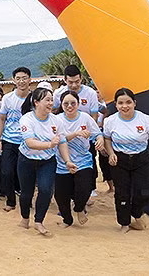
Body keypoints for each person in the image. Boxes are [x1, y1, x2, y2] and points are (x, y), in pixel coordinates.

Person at [104, 88, 149, 232]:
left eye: (128, 102)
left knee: (144, 192)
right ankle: (124, 223)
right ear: (116, 105)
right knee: (122, 194)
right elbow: (107, 138)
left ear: (134, 103)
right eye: (120, 103)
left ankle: (136, 214)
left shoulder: (145, 120)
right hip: (119, 160)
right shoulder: (110, 121)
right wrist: (110, 153)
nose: (125, 106)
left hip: (141, 158)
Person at [17, 87, 71, 236]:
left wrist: (67, 161)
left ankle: (39, 221)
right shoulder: (27, 119)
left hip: (47, 161)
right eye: (47, 100)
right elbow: (29, 142)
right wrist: (49, 144)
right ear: (36, 102)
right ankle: (25, 218)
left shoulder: (56, 120)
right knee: (26, 193)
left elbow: (62, 141)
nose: (50, 103)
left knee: (46, 190)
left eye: (51, 99)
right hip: (26, 160)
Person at [54, 90, 103, 227]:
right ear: (61, 105)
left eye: (73, 103)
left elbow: (97, 134)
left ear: (78, 103)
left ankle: (79, 208)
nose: (70, 106)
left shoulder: (85, 118)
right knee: (61, 196)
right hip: (62, 162)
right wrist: (76, 134)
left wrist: (99, 141)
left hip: (83, 161)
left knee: (85, 188)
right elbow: (59, 139)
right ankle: (67, 220)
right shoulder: (57, 120)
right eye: (66, 103)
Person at [52, 65, 101, 199]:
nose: (74, 85)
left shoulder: (90, 93)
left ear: (81, 79)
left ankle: (90, 188)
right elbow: (53, 112)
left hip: (85, 133)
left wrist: (92, 134)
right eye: (70, 82)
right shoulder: (58, 94)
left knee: (88, 160)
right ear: (65, 80)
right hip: (65, 133)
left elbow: (94, 115)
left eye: (77, 81)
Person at [0, 67, 31, 212]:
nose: (21, 81)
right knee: (6, 172)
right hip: (9, 140)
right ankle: (11, 201)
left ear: (30, 79)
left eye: (24, 78)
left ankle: (26, 200)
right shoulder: (8, 98)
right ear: (13, 80)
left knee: (26, 174)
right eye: (18, 78)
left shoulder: (35, 98)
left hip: (28, 141)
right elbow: (2, 119)